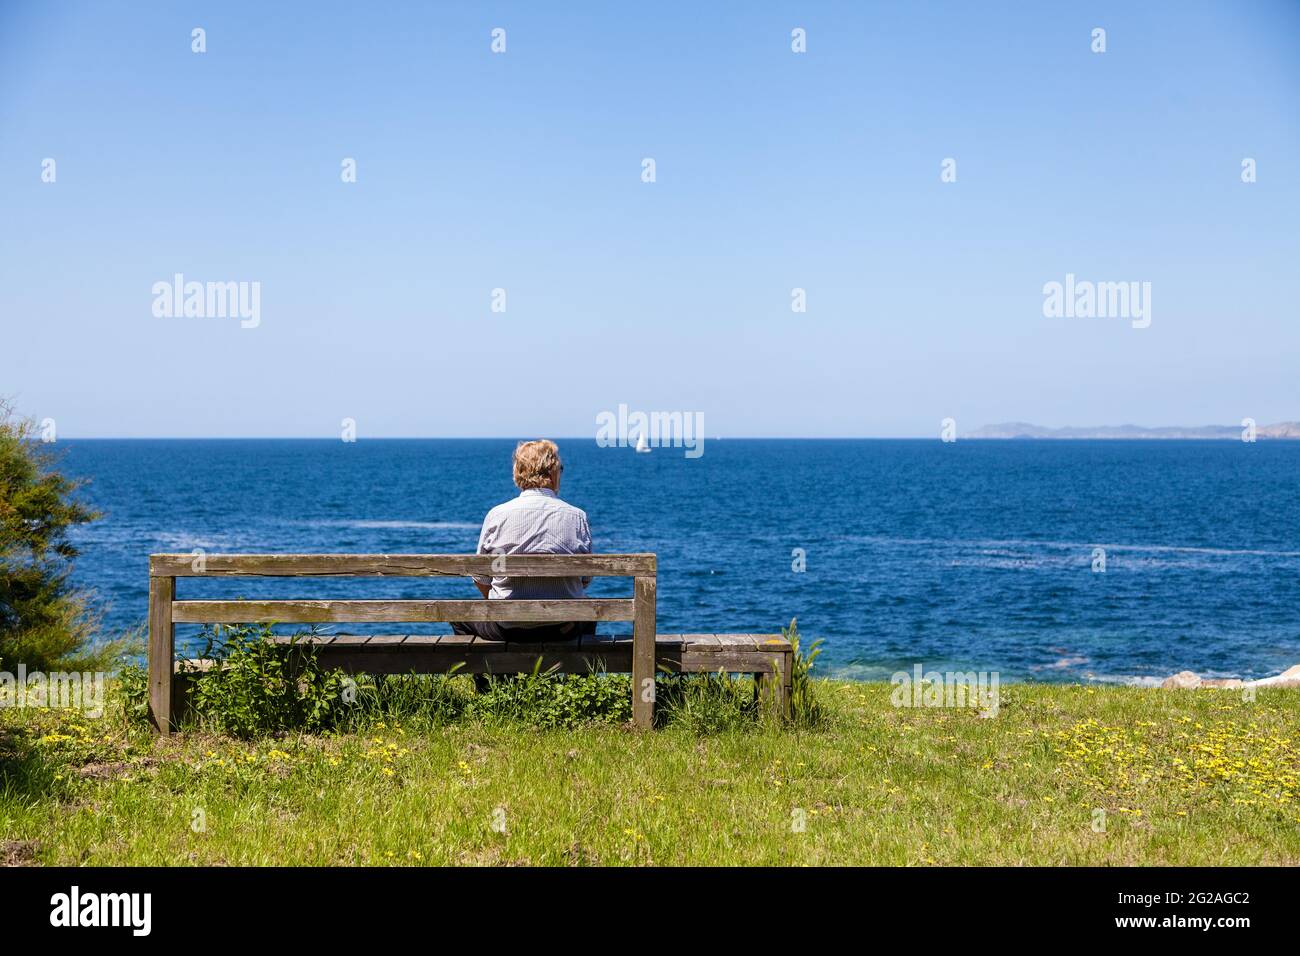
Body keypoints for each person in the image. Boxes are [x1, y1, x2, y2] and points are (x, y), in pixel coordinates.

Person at [451, 439, 596, 643]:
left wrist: (507, 607)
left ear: (518, 472)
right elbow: (585, 579)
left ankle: (492, 675)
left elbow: (481, 578)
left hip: (508, 627)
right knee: (589, 611)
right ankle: (577, 672)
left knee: (459, 617)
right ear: (553, 472)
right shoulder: (576, 516)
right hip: (564, 627)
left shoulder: (497, 515)